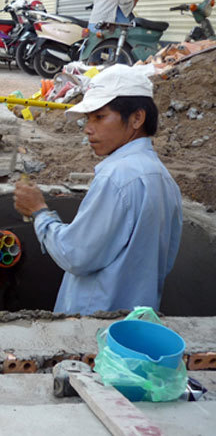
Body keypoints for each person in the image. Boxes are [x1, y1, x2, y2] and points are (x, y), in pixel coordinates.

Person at [13, 64, 182, 315]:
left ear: (137, 118)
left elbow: (75, 255)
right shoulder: (163, 179)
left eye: (99, 117)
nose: (88, 128)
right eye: (88, 118)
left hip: (94, 326)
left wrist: (39, 213)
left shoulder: (118, 177)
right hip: (132, 328)